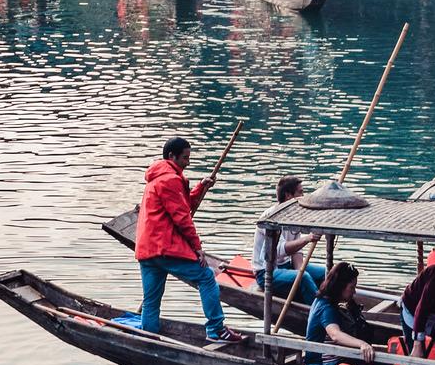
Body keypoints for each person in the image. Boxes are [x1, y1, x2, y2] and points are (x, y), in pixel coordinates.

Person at [134, 136, 230, 345]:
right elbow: (182, 217)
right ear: (172, 156)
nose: (188, 162)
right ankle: (216, 328)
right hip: (164, 248)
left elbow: (182, 204)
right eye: (185, 158)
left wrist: (200, 188)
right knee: (206, 276)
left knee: (151, 301)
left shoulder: (159, 178)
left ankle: (147, 341)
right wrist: (198, 248)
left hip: (147, 250)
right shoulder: (170, 180)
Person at [251, 176, 326, 306]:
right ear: (288, 196)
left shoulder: (294, 216)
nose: (303, 196)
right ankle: (319, 311)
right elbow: (279, 250)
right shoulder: (270, 218)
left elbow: (297, 253)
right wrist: (308, 239)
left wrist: (300, 270)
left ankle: (328, 304)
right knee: (304, 277)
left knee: (326, 273)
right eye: (300, 192)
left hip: (286, 266)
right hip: (266, 272)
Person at [304, 262, 377, 365]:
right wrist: (362, 344)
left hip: (336, 360)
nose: (354, 291)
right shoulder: (326, 307)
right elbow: (335, 335)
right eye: (352, 287)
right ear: (340, 286)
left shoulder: (325, 301)